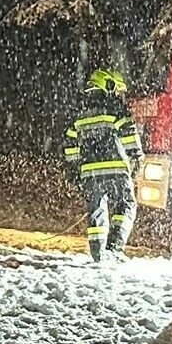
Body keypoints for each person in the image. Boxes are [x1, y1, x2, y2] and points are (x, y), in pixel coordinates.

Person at [63, 68, 144, 262]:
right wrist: (137, 157)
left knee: (96, 210)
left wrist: (74, 169)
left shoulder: (79, 113)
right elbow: (129, 132)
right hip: (116, 168)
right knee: (126, 205)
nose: (119, 95)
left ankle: (98, 253)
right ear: (108, 85)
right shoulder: (115, 107)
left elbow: (70, 142)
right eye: (118, 90)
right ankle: (115, 248)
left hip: (89, 173)